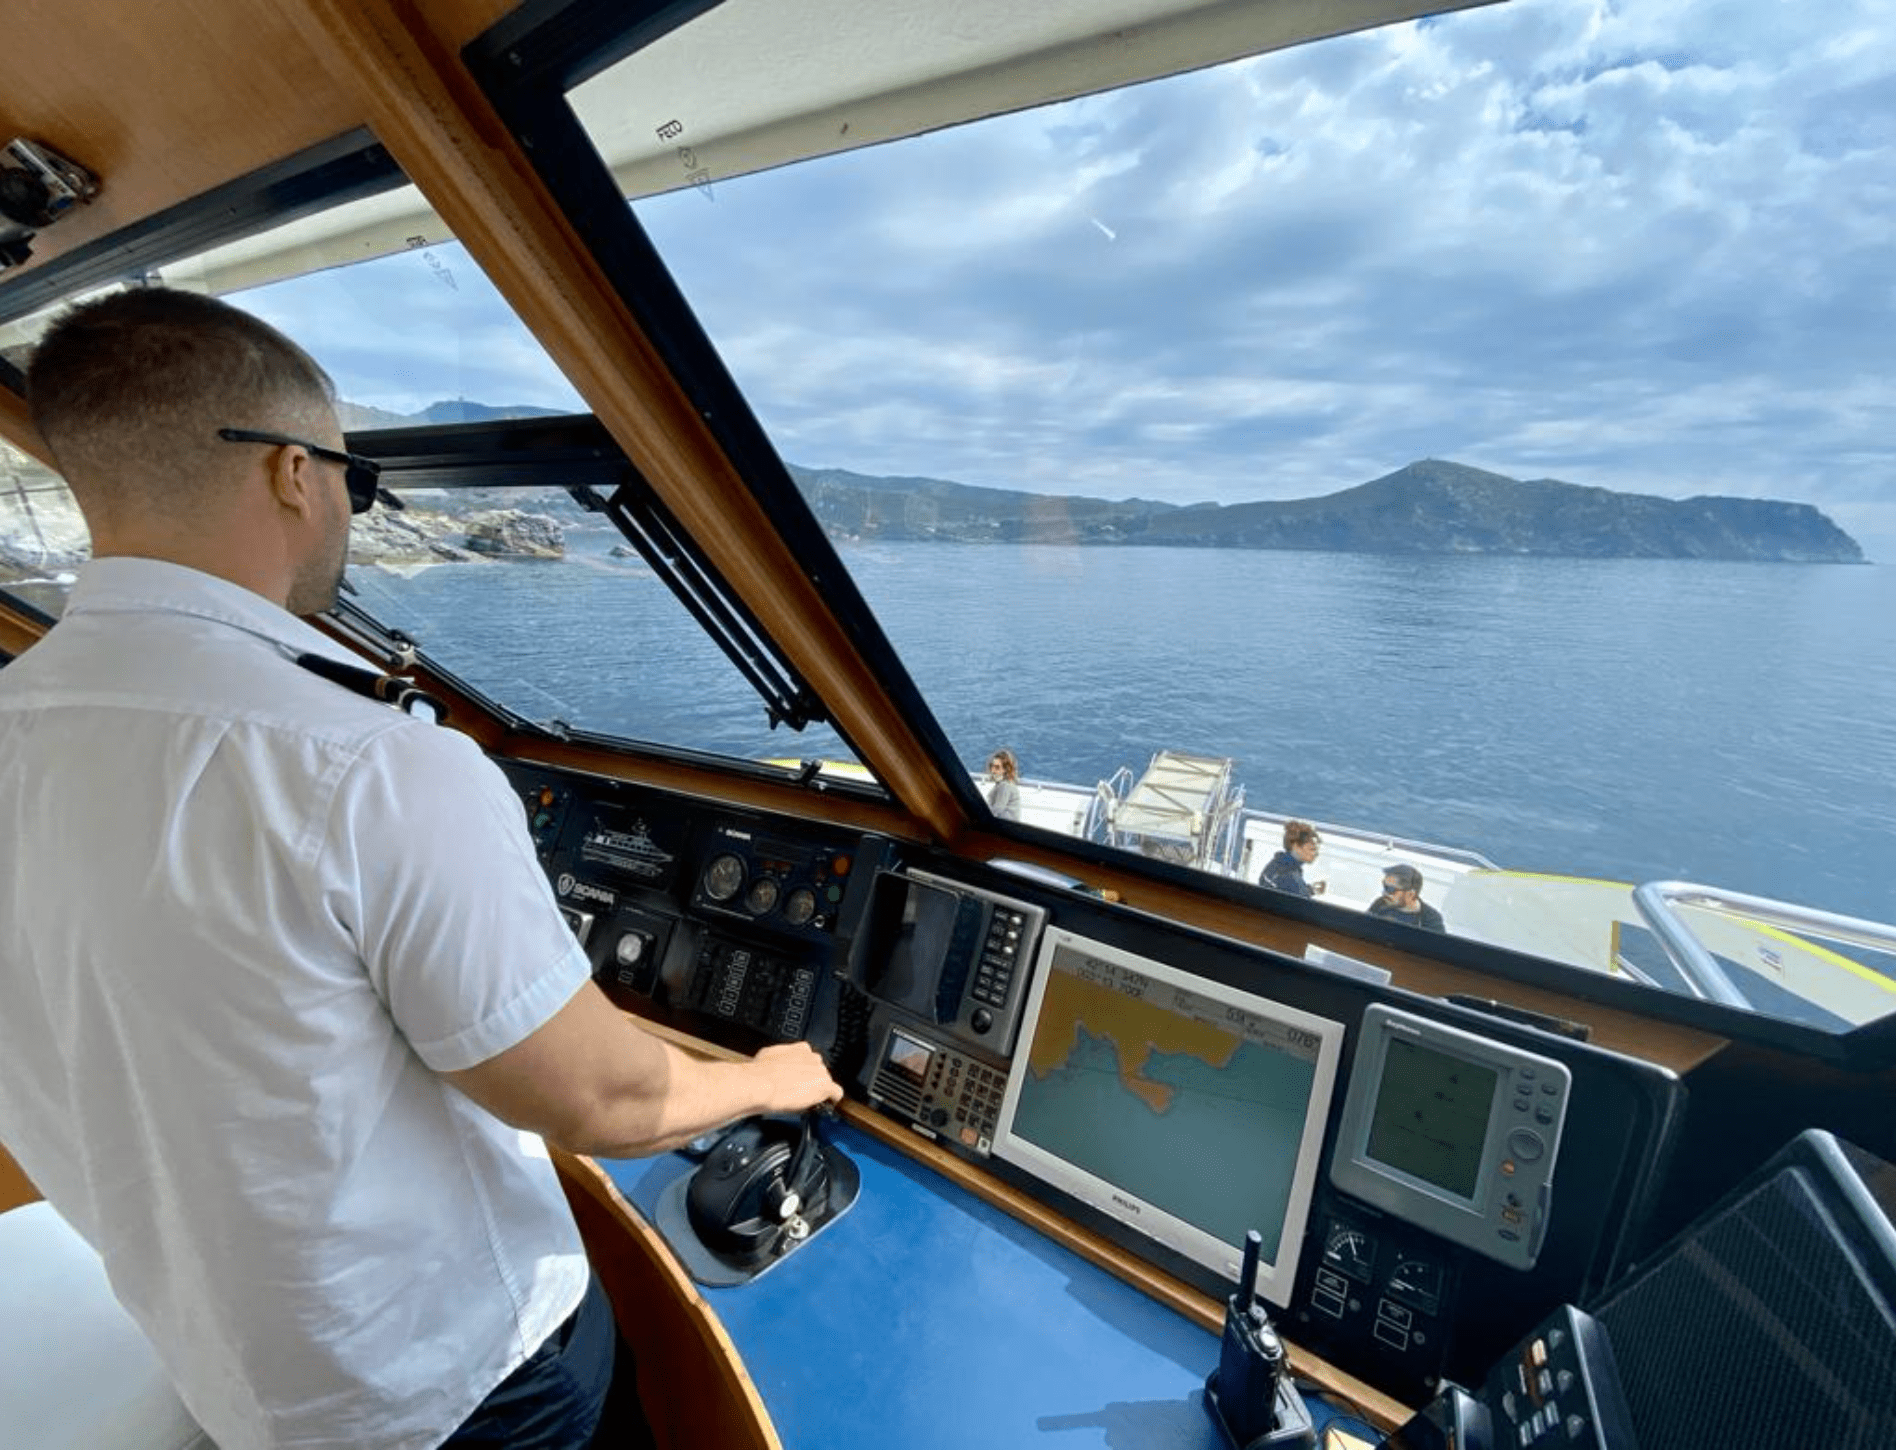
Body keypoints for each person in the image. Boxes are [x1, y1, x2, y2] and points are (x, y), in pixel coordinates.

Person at [0, 288, 842, 1450]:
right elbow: (607, 1100)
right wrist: (765, 1078)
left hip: (232, 1369)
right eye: (351, 478)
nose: (346, 506)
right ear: (293, 473)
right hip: (454, 1388)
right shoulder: (369, 764)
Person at [1368, 862, 1447, 932]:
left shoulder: (1431, 918)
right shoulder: (1380, 903)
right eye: (1384, 886)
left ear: (1411, 894)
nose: (1384, 893)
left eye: (1390, 889)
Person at [1259, 818, 1325, 897]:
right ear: (1296, 846)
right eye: (1312, 849)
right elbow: (1298, 895)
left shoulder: (1276, 864)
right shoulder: (1292, 878)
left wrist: (1311, 890)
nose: (1316, 854)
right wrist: (1305, 892)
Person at [984, 747, 1022, 822]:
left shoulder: (1004, 786)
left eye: (997, 767)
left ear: (1005, 770)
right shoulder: (1002, 784)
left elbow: (997, 810)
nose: (992, 770)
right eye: (992, 766)